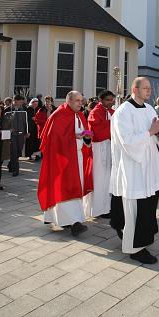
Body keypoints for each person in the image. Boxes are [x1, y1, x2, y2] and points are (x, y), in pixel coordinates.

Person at [110, 77, 159, 264]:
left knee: (148, 205)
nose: (149, 91)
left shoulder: (150, 108)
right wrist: (151, 131)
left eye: (150, 88)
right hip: (134, 168)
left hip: (149, 166)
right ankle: (135, 248)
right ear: (135, 89)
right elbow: (127, 141)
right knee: (136, 207)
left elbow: (158, 133)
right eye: (146, 88)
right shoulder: (123, 112)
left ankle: (143, 239)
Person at [38, 91, 94, 237]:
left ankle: (58, 218)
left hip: (78, 157)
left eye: (82, 101)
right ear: (68, 100)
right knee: (65, 189)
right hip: (62, 160)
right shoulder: (59, 115)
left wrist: (86, 138)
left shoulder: (80, 115)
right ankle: (74, 223)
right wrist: (73, 136)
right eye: (77, 101)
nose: (80, 104)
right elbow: (52, 139)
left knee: (74, 187)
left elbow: (84, 137)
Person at [88, 90, 116, 218]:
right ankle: (99, 209)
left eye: (112, 99)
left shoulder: (112, 112)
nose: (111, 102)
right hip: (99, 148)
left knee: (109, 177)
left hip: (109, 147)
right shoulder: (95, 112)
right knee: (100, 178)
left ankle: (108, 207)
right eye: (108, 100)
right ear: (101, 100)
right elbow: (97, 132)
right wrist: (113, 124)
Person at [3, 95, 30, 177]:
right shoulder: (7, 110)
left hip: (21, 134)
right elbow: (4, 123)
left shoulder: (24, 110)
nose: (22, 103)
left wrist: (27, 132)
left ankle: (11, 164)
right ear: (15, 101)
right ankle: (15, 170)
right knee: (14, 151)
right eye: (20, 101)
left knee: (19, 151)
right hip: (12, 135)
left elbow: (27, 122)